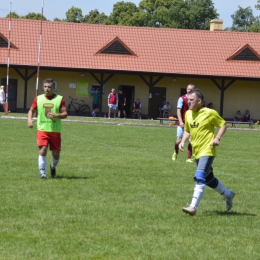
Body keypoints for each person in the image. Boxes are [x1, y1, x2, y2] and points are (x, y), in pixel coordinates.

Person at [179, 89, 235, 216]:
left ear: (199, 101)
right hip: (197, 151)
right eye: (188, 100)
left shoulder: (209, 113)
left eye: (192, 100)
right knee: (209, 180)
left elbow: (223, 125)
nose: (189, 102)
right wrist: (183, 141)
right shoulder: (188, 113)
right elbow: (188, 129)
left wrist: (217, 138)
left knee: (199, 176)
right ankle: (229, 194)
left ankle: (193, 207)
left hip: (207, 150)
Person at [27, 78, 67, 179]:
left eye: (49, 87)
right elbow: (31, 110)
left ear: (53, 88)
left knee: (56, 154)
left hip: (55, 131)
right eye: (45, 87)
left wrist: (55, 115)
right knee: (43, 149)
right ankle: (43, 174)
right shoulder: (38, 98)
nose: (47, 89)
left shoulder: (60, 99)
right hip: (42, 129)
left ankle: (53, 165)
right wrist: (29, 120)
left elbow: (65, 114)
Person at [172, 84, 195, 163]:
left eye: (191, 89)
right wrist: (181, 121)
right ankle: (175, 152)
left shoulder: (195, 100)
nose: (190, 90)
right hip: (182, 123)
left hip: (191, 124)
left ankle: (188, 158)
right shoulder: (182, 98)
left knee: (191, 140)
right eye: (188, 89)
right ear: (186, 90)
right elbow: (178, 110)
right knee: (178, 140)